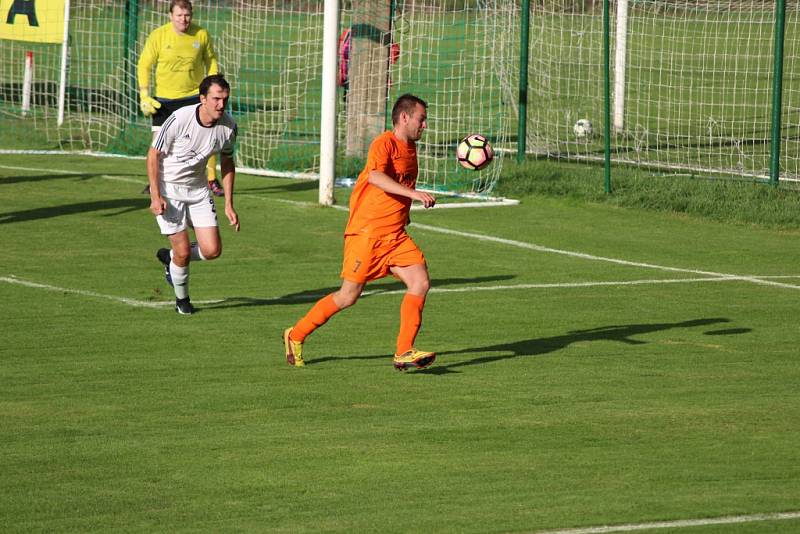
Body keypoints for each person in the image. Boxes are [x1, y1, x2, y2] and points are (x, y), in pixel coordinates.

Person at [283, 94, 436, 371]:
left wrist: (405, 213)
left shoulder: (411, 149)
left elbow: (397, 187)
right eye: (421, 119)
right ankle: (295, 335)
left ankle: (403, 351)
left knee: (420, 282)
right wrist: (413, 194)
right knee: (348, 296)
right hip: (366, 233)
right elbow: (377, 177)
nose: (424, 125)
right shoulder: (384, 143)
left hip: (395, 236)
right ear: (404, 117)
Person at [148, 74, 239, 315]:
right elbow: (153, 155)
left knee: (212, 251)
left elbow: (228, 163)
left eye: (225, 99)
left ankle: (171, 258)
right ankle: (182, 300)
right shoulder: (180, 118)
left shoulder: (228, 127)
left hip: (198, 190)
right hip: (170, 189)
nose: (221, 105)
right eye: (216, 99)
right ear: (202, 99)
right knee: (185, 252)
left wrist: (229, 203)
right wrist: (156, 196)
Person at [137, 0, 224, 197]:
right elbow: (144, 65)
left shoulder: (201, 34)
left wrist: (212, 87)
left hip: (194, 97)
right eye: (179, 15)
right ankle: (155, 184)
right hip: (165, 101)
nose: (183, 20)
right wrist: (144, 94)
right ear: (170, 15)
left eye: (187, 15)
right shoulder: (159, 35)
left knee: (205, 140)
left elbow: (210, 60)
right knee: (158, 144)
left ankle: (211, 180)